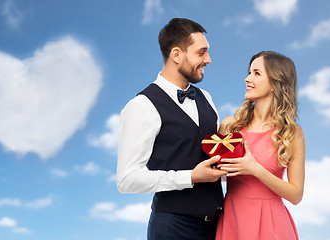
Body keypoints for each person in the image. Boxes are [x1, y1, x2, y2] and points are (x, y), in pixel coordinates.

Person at [117, 18, 227, 240]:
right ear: (177, 55)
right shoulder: (142, 106)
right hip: (173, 228)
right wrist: (191, 177)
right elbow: (126, 180)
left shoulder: (206, 98)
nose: (208, 60)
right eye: (201, 52)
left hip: (218, 226)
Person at [215, 51, 305, 240]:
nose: (247, 78)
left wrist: (255, 169)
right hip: (233, 220)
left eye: (256, 73)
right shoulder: (229, 126)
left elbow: (296, 195)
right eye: (249, 72)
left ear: (275, 83)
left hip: (273, 225)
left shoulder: (292, 133)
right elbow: (218, 175)